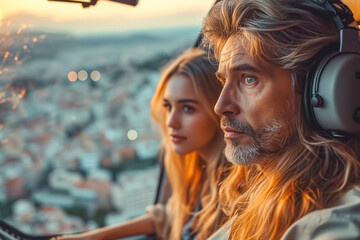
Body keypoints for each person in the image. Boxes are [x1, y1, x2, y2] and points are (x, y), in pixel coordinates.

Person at [201, 0, 360, 239]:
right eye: (224, 81)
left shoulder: (333, 226)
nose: (220, 106)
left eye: (248, 79)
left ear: (322, 87)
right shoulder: (256, 197)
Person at [53, 48, 229, 240]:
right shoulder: (200, 174)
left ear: (218, 110)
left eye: (188, 108)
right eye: (168, 106)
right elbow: (171, 216)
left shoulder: (233, 195)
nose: (171, 121)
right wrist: (92, 237)